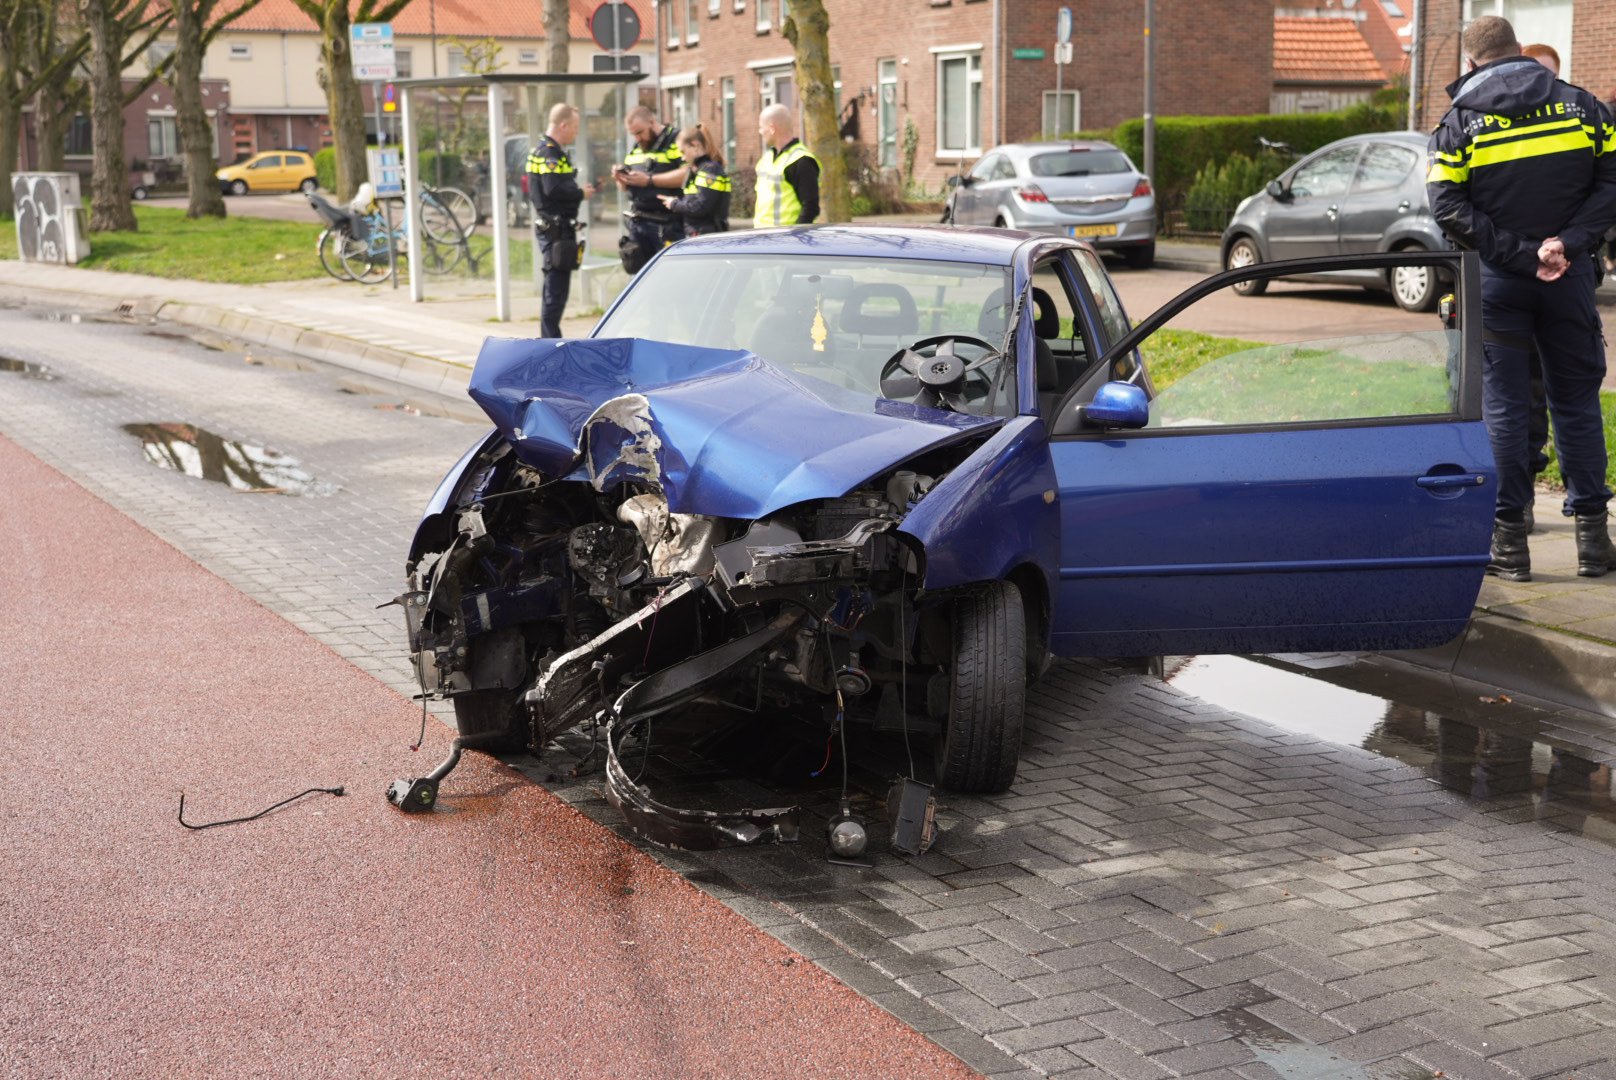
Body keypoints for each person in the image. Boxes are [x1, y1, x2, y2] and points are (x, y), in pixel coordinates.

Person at [1427, 15, 1616, 580]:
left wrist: (1520, 253)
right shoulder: (1583, 107)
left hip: (1501, 284)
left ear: (1470, 63)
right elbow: (1612, 183)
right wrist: (1567, 244)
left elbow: (1447, 207)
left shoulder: (1459, 124)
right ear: (1519, 51)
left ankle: (1509, 544)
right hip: (1571, 278)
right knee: (1577, 404)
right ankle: (1593, 542)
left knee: (1506, 410)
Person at [527, 102, 603, 339]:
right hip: (556, 231)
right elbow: (553, 189)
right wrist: (581, 194)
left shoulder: (542, 151)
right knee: (555, 292)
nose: (576, 132)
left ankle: (549, 341)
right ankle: (549, 345)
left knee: (556, 290)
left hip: (556, 229)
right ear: (563, 125)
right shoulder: (550, 154)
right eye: (575, 127)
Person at [613, 106, 686, 272]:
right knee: (640, 278)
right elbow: (624, 188)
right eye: (633, 134)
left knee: (670, 275)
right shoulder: (637, 146)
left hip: (666, 223)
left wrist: (650, 181)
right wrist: (622, 179)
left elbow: (687, 174)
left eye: (640, 132)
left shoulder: (675, 139)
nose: (638, 138)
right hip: (638, 222)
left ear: (652, 122)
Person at [753, 104, 820, 228]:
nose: (760, 132)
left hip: (785, 241)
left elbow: (810, 207)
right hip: (763, 238)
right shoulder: (767, 158)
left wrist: (795, 237)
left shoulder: (801, 161)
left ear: (772, 128)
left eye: (761, 127)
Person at [659, 124, 732, 238]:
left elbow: (700, 207)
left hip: (707, 235)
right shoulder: (698, 170)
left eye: (683, 152)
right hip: (697, 233)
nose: (682, 158)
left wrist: (675, 204)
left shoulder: (710, 170)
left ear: (695, 146)